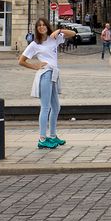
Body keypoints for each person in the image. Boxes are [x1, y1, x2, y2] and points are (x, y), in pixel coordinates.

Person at [19, 18, 76, 149]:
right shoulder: (34, 44)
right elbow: (21, 61)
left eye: (44, 25)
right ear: (36, 28)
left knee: (56, 107)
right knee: (45, 107)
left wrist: (59, 30)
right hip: (45, 75)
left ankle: (52, 135)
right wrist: (35, 66)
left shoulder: (54, 38)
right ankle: (42, 139)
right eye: (39, 25)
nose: (42, 27)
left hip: (54, 75)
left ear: (47, 26)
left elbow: (72, 34)